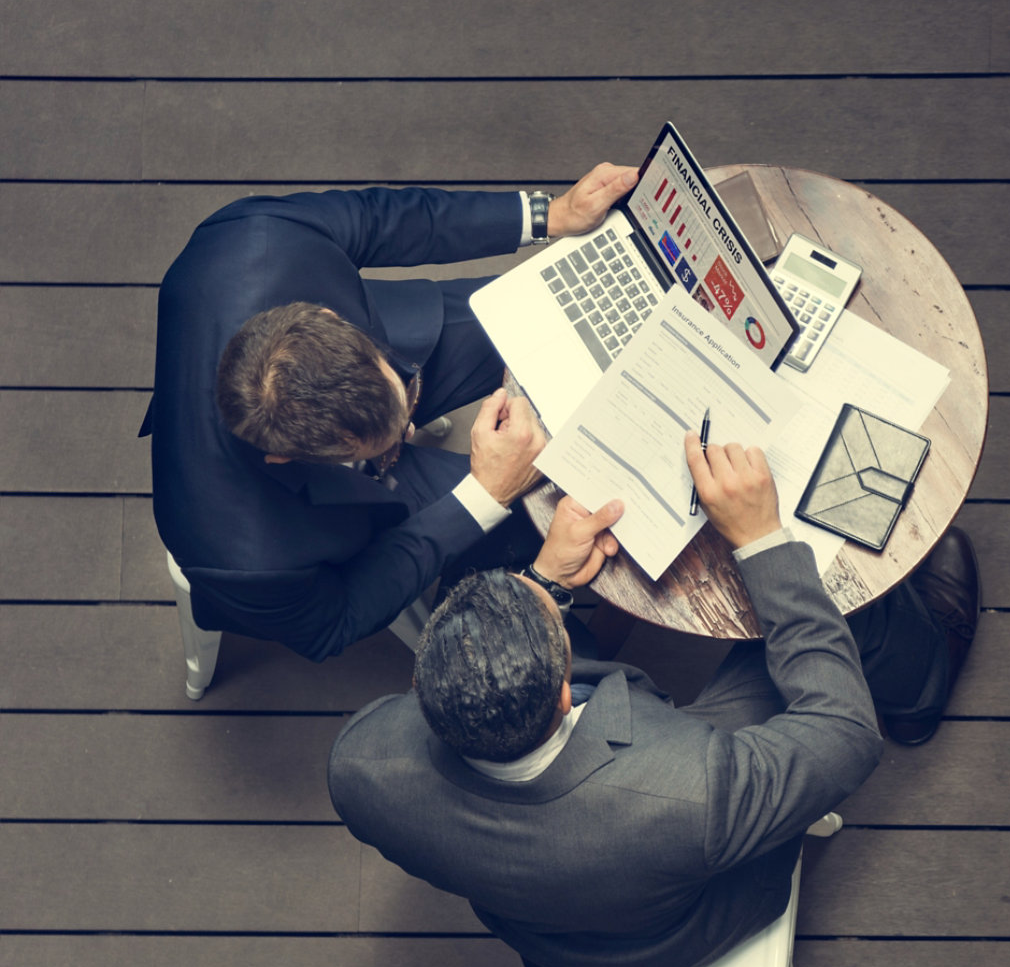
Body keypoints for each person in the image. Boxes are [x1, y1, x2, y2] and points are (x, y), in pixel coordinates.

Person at [327, 432, 980, 967]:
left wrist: (546, 577)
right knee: (841, 620)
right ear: (562, 692)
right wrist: (760, 541)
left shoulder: (361, 763)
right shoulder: (691, 791)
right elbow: (845, 734)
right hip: (686, 921)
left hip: (552, 933)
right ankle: (921, 690)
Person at [142, 164, 638, 661]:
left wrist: (550, 214)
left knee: (548, 308)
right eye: (390, 437)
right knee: (537, 514)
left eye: (402, 402)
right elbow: (337, 620)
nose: (412, 427)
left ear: (329, 316)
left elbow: (384, 220)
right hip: (347, 508)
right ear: (282, 458)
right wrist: (485, 496)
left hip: (393, 339)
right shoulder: (244, 558)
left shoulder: (258, 235)